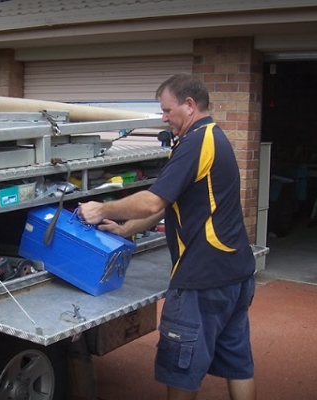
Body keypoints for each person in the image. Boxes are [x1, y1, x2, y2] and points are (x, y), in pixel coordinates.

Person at [78, 73, 256, 400]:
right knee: (238, 363)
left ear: (189, 105)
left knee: (181, 372)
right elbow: (171, 204)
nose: (163, 118)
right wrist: (125, 230)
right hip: (236, 274)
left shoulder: (195, 143)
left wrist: (101, 211)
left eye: (166, 110)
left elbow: (153, 200)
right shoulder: (214, 136)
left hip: (201, 280)